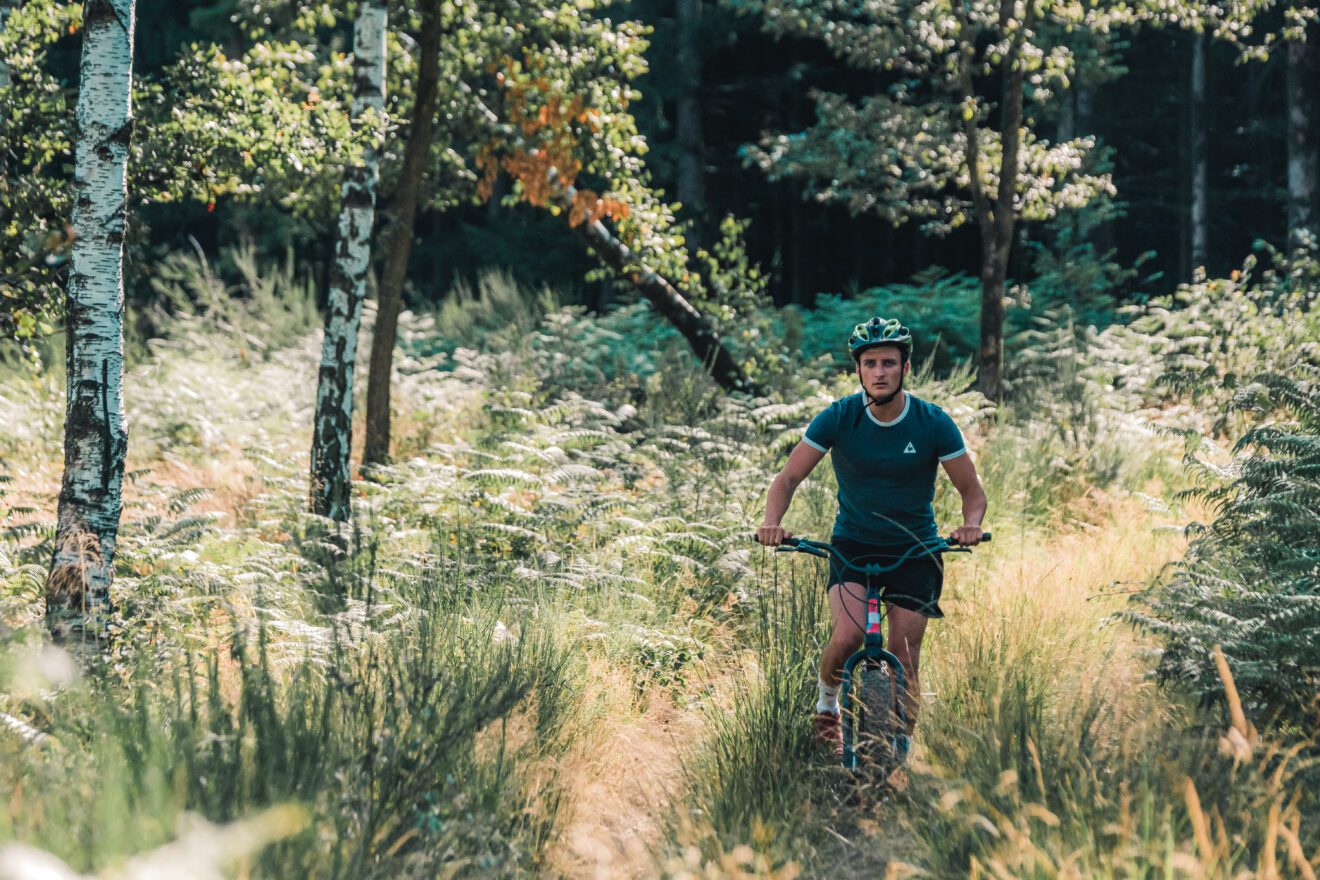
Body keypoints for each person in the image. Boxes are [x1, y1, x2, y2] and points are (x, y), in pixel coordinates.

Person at [755, 316, 987, 755]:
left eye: (888, 362)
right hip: (854, 544)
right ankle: (827, 706)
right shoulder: (839, 417)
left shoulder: (932, 422)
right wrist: (772, 523)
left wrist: (970, 525)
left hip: (916, 546)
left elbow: (972, 491)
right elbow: (787, 478)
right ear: (858, 370)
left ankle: (900, 748)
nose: (879, 371)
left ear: (905, 368)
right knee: (847, 636)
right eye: (870, 363)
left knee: (904, 654)